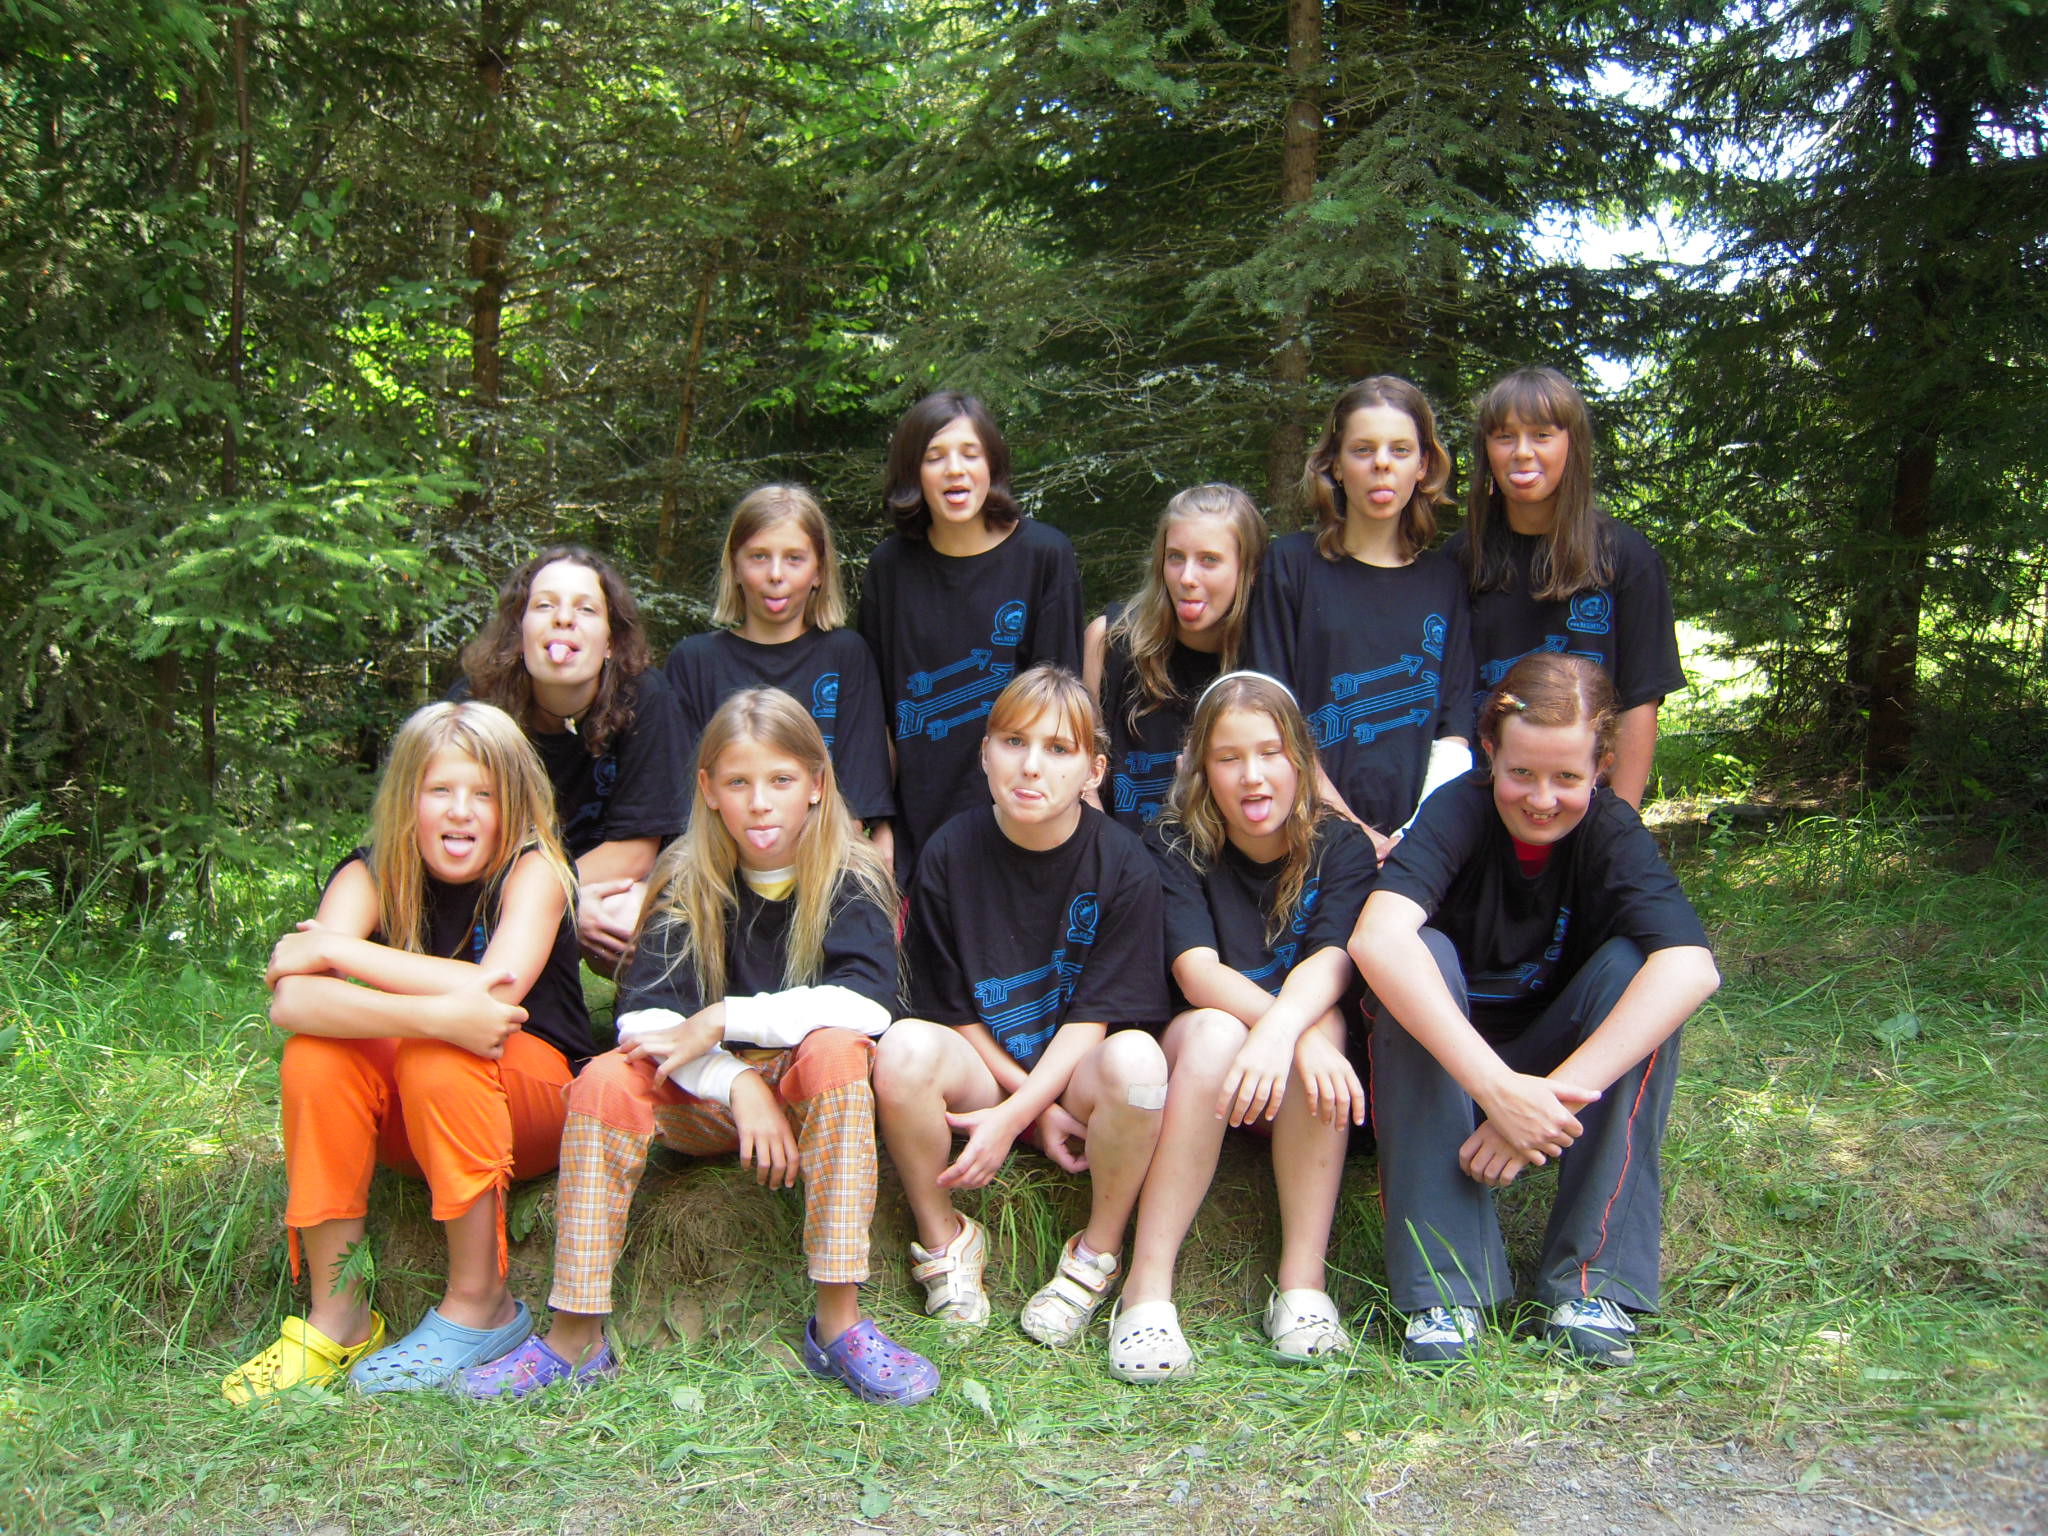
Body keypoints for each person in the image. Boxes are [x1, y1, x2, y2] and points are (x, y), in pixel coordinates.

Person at [457, 688, 937, 1403]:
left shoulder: (852, 872)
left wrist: (724, 1019)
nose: (760, 804)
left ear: (816, 783)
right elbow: (642, 1021)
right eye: (738, 783)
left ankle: (840, 1322)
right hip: (703, 1099)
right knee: (605, 1079)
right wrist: (735, 1083)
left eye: (780, 780)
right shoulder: (686, 876)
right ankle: (574, 1337)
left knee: (839, 1048)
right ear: (709, 789)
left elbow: (866, 1005)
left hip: (805, 1094)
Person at [1348, 654, 1719, 1368]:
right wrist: (1495, 1090)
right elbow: (1376, 939)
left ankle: (1592, 1284)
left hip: (1553, 1063)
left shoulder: (1611, 831)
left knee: (1637, 968)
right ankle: (1446, 1290)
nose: (1542, 799)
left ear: (1602, 768)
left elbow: (1691, 968)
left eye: (1567, 778)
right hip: (1445, 1065)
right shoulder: (1456, 810)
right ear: (1489, 752)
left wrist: (1541, 1106)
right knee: (1420, 956)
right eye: (1521, 772)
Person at [222, 701, 598, 1400]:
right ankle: (338, 1316)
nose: (460, 812)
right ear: (407, 799)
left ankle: (482, 1304)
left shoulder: (535, 870)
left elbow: (499, 987)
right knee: (317, 1056)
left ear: (515, 801)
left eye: (484, 794)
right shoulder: (369, 873)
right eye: (440, 790)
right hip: (414, 1116)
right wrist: (436, 1015)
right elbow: (292, 1003)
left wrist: (340, 951)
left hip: (531, 1104)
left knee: (438, 1056)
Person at [874, 666, 1169, 1348]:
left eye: (1059, 749)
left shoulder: (1124, 865)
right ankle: (945, 1242)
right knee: (903, 1049)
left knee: (1140, 1062)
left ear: (1094, 771)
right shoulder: (948, 852)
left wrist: (1018, 1117)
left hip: (1077, 1073)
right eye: (1013, 742)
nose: (1031, 765)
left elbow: (1093, 1020)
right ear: (984, 753)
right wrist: (1027, 1111)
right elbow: (952, 1010)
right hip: (986, 1068)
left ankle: (1094, 1257)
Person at [1112, 673, 1378, 1381]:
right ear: (1202, 769)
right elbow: (1196, 972)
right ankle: (1145, 1292)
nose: (1252, 776)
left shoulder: (1341, 846)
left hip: (1294, 1079)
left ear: (1301, 759)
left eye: (1269, 752)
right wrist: (1287, 1031)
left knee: (1326, 1023)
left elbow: (1333, 960)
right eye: (1229, 758)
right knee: (1219, 1030)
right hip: (1203, 1062)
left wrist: (1294, 1035)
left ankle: (1302, 1289)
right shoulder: (1172, 841)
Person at [1246, 376, 1475, 861]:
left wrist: (1415, 836)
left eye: (1400, 449)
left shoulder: (1445, 581)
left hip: (1419, 846)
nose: (1382, 464)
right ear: (1335, 462)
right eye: (1363, 449)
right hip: (1308, 836)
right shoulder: (1290, 566)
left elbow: (1454, 729)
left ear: (1423, 465)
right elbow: (1271, 717)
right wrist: (1352, 830)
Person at [857, 392, 1083, 880]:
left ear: (992, 464)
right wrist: (880, 822)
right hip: (914, 830)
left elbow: (1062, 706)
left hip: (1019, 822)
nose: (954, 470)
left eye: (969, 454)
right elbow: (874, 716)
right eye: (934, 457)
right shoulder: (889, 568)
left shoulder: (1045, 556)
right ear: (913, 472)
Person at [1444, 366, 1684, 808]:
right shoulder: (1457, 561)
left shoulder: (1625, 557)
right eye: (1504, 436)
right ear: (1486, 450)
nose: (1522, 452)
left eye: (1541, 435)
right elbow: (1445, 708)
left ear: (1572, 444)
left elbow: (1639, 702)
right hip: (1481, 806)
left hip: (1588, 806)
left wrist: (1620, 825)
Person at [459, 546, 688, 968]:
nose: (564, 619)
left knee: (626, 912)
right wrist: (543, 903)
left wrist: (558, 899)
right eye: (545, 605)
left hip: (597, 880)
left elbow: (634, 852)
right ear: (518, 632)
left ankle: (643, 1007)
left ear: (610, 642)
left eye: (586, 609)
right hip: (496, 880)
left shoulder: (644, 698)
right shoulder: (476, 705)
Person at [664, 484, 897, 870]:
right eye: (759, 557)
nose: (776, 574)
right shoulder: (694, 662)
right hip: (718, 869)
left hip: (823, 867)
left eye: (794, 559)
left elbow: (856, 802)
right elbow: (683, 803)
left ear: (819, 571)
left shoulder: (847, 655)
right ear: (735, 567)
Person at [1083, 484, 1269, 834]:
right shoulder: (1110, 642)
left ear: (1249, 569)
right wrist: (1111, 857)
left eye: (1209, 560)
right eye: (1176, 557)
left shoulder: (1267, 657)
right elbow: (1081, 777)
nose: (1187, 578)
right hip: (1120, 858)